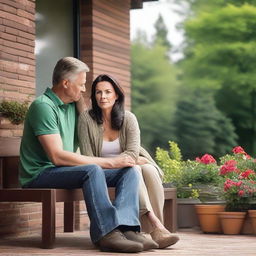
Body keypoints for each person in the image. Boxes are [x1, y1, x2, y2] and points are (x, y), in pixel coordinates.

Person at [19, 57, 158, 253]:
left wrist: (126, 159)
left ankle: (128, 229)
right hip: (40, 174)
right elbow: (57, 157)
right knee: (92, 170)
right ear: (66, 83)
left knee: (130, 171)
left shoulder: (72, 107)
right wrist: (111, 162)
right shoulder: (43, 106)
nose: (85, 89)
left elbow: (93, 124)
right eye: (82, 84)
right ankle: (106, 233)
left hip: (63, 171)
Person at [78, 74, 180, 249]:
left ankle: (155, 231)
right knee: (135, 170)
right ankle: (155, 225)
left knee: (149, 171)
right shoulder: (86, 119)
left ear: (116, 95)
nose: (103, 97)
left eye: (108, 92)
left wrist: (129, 160)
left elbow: (132, 153)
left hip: (131, 164)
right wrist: (119, 161)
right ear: (94, 96)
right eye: (98, 92)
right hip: (104, 170)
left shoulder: (129, 118)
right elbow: (88, 157)